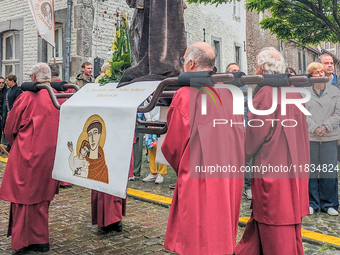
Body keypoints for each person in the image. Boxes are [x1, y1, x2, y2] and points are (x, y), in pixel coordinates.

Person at [161, 42, 245, 255]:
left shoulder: (185, 94)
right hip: (228, 176)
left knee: (198, 236)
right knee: (221, 233)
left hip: (200, 179)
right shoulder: (229, 93)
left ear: (190, 64)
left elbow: (173, 147)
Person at [235, 47, 310, 255]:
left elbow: (252, 139)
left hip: (273, 178)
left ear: (260, 68)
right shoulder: (294, 91)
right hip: (293, 176)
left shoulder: (266, 93)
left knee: (277, 237)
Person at [0, 63, 61, 252]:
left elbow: (10, 127)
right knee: (42, 198)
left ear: (33, 78)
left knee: (23, 199)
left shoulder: (26, 97)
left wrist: (17, 143)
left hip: (26, 154)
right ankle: (41, 239)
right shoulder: (57, 98)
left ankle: (23, 241)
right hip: (50, 156)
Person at [305, 62, 340, 216]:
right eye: (316, 72)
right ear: (310, 76)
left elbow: (338, 113)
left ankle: (330, 203)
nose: (320, 74)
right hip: (311, 136)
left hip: (329, 136)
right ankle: (312, 202)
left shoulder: (335, 91)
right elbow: (302, 113)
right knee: (311, 171)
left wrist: (325, 127)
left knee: (329, 170)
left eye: (322, 72)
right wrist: (314, 128)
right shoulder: (304, 92)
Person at [226, 63, 252, 200]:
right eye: (233, 71)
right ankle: (231, 187)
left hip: (244, 126)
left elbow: (248, 110)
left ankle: (248, 187)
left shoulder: (245, 88)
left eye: (238, 70)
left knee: (247, 160)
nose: (236, 73)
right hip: (230, 130)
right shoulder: (224, 89)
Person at [3, 75, 22, 152]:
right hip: (7, 112)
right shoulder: (9, 90)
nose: (6, 83)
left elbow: (18, 103)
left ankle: (10, 146)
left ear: (12, 81)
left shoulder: (17, 90)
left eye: (7, 81)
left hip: (13, 113)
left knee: (12, 130)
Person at [0, 77, 7, 143]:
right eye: (0, 83)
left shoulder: (6, 91)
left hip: (4, 113)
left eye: (3, 83)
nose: (1, 84)